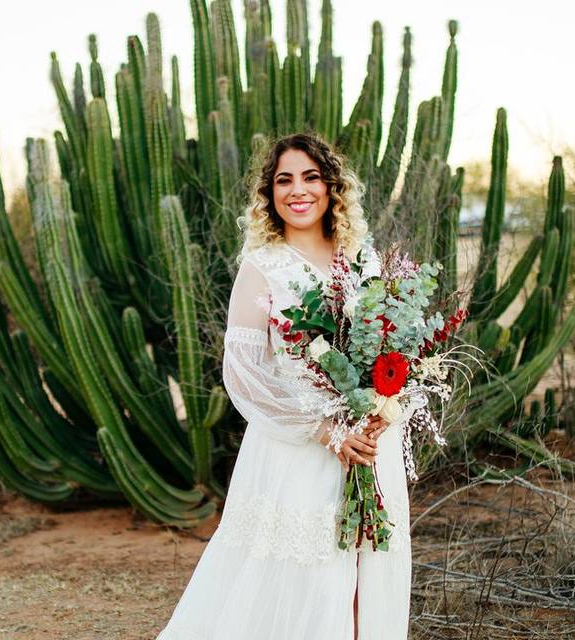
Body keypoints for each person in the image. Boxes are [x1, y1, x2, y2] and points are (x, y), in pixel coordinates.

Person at [157, 132, 414, 640]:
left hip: (370, 443)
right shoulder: (263, 267)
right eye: (284, 180)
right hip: (300, 448)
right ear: (269, 195)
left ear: (332, 187)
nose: (298, 190)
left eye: (311, 177)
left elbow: (397, 345)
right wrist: (325, 430)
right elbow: (245, 375)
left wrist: (386, 405)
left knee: (371, 571)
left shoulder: (364, 260)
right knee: (310, 578)